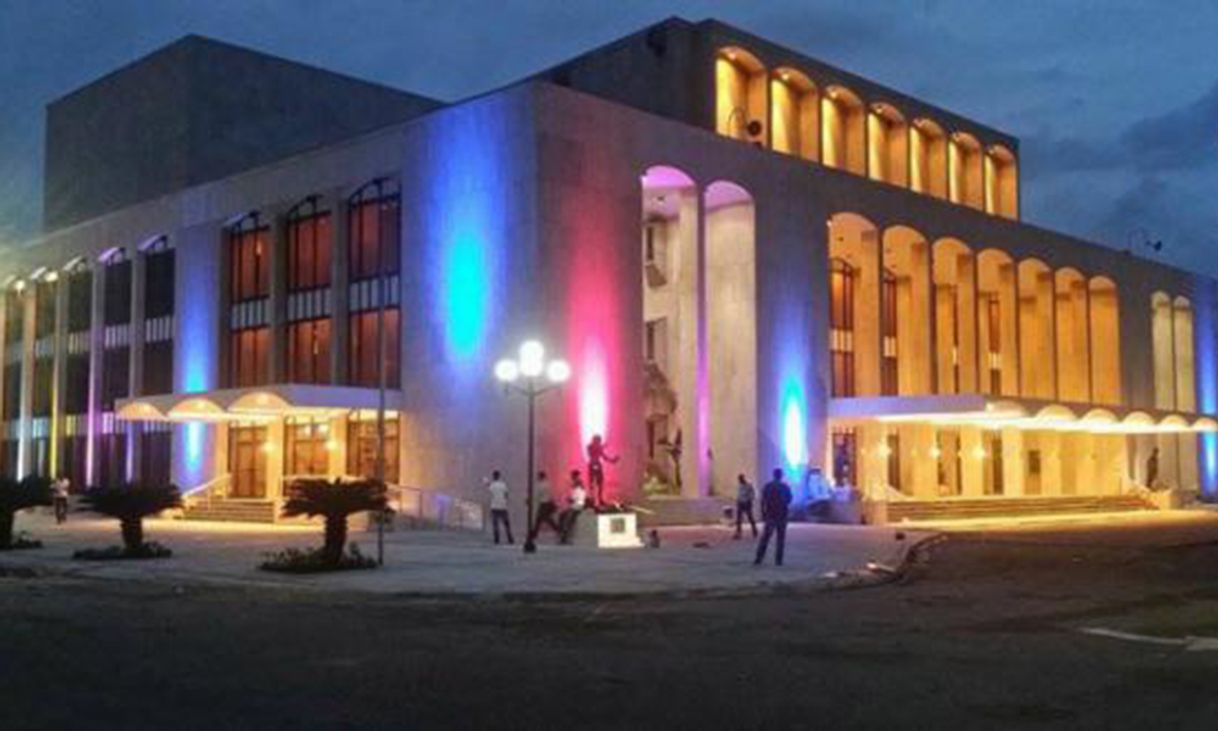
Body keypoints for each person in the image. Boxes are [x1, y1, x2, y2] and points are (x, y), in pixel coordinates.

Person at [754, 468, 793, 567]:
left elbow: (763, 500)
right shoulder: (785, 486)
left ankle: (759, 558)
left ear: (773, 475)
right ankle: (778, 560)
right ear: (781, 475)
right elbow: (789, 499)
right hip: (782, 515)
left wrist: (763, 512)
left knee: (765, 537)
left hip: (771, 514)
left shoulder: (768, 486)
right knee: (780, 539)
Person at [586, 434, 619, 506]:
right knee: (592, 483)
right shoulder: (590, 446)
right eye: (598, 441)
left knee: (600, 483)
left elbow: (604, 457)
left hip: (596, 465)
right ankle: (593, 499)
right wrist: (602, 447)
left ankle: (599, 499)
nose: (599, 443)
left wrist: (613, 460)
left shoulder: (598, 447)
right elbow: (593, 453)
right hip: (593, 465)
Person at [529, 470, 561, 541]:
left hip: (543, 504)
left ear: (540, 477)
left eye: (538, 476)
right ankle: (557, 530)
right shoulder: (548, 484)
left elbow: (538, 495)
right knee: (544, 519)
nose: (537, 478)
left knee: (542, 519)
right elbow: (550, 495)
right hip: (548, 503)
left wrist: (530, 500)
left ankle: (534, 534)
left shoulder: (541, 485)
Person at [559, 470, 589, 544]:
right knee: (563, 516)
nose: (571, 478)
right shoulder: (577, 485)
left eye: (572, 476)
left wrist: (570, 500)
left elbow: (578, 498)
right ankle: (564, 536)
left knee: (567, 520)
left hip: (577, 507)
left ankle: (564, 537)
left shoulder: (578, 485)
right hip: (576, 506)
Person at [485, 470, 513, 545]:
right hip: (503, 506)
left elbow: (489, 488)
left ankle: (497, 539)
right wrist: (505, 501)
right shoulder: (503, 484)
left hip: (494, 506)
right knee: (506, 524)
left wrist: (486, 482)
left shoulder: (493, 485)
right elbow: (506, 494)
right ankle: (510, 538)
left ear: (494, 476)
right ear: (499, 476)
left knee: (495, 524)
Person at [733, 473, 757, 539]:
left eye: (741, 479)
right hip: (740, 503)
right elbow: (739, 494)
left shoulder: (749, 485)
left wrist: (749, 500)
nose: (740, 480)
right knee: (739, 519)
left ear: (743, 478)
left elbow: (753, 494)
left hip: (747, 503)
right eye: (739, 479)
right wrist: (737, 500)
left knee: (750, 517)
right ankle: (738, 532)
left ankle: (754, 530)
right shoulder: (740, 485)